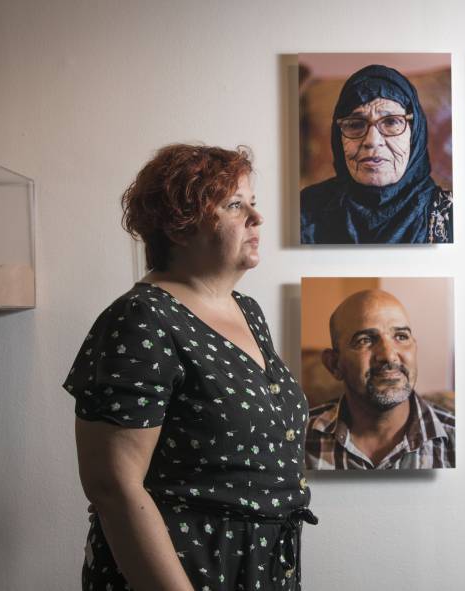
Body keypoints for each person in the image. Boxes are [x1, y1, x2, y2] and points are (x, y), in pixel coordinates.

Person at [63, 144, 316, 591]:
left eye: (252, 204)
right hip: (187, 568)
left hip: (263, 567)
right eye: (235, 206)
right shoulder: (142, 318)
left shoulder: (247, 311)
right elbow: (112, 487)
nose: (257, 219)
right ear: (179, 227)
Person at [300, 64, 453, 244]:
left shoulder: (452, 216)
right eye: (355, 124)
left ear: (415, 135)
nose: (372, 140)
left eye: (391, 122)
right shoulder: (306, 211)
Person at [304, 289, 455, 469]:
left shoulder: (461, 440)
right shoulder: (297, 439)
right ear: (334, 364)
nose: (389, 356)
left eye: (401, 337)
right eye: (365, 340)